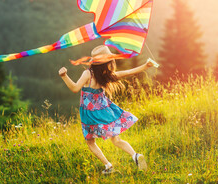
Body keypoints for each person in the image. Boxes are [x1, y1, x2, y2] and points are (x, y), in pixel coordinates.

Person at [58, 45, 155, 174]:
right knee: (116, 140)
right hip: (106, 110)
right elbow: (127, 72)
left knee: (90, 142)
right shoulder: (107, 75)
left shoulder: (88, 74)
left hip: (90, 114)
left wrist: (64, 76)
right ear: (108, 63)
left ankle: (108, 166)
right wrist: (145, 66)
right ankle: (135, 155)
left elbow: (75, 88)